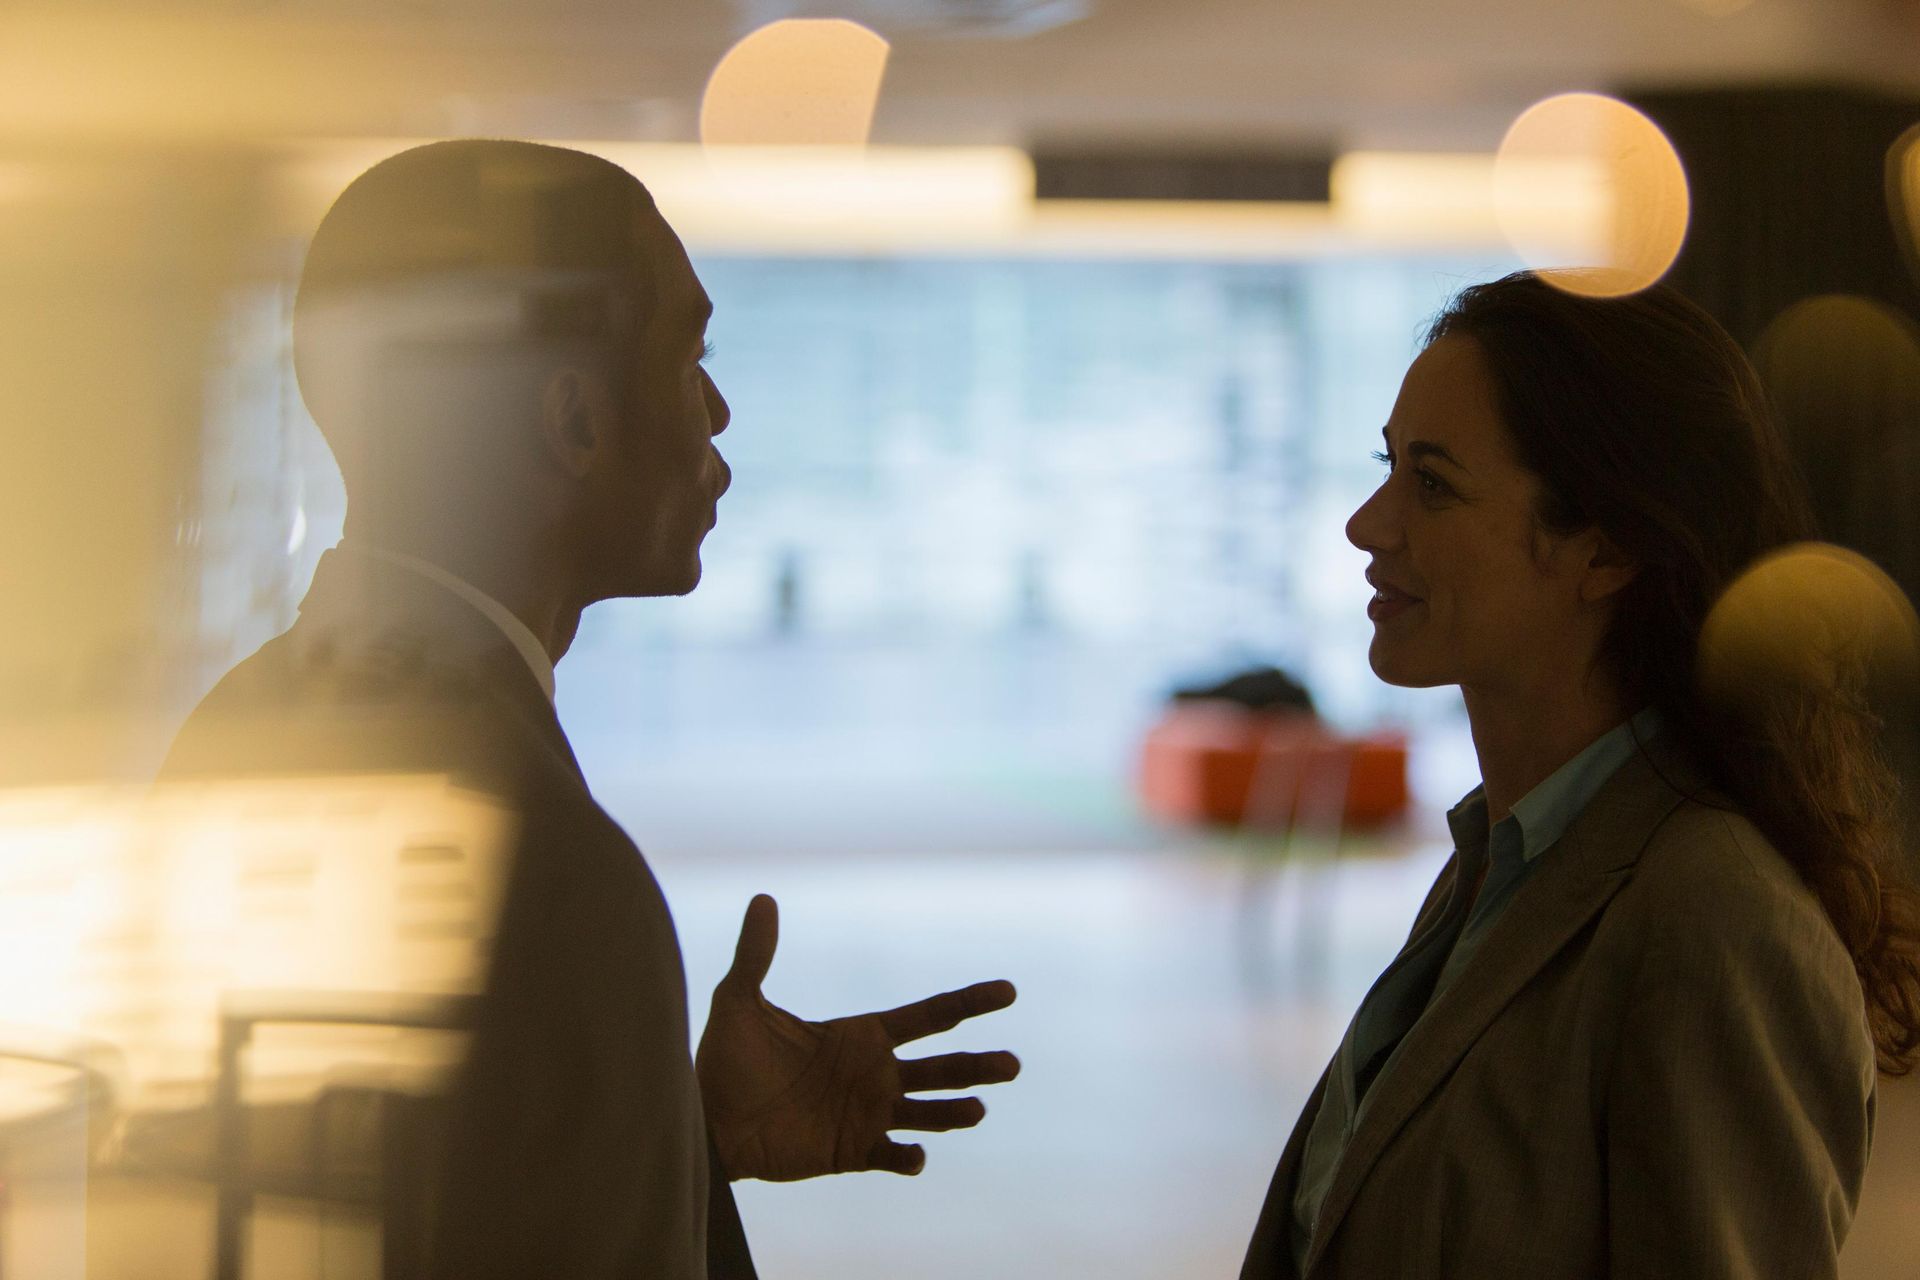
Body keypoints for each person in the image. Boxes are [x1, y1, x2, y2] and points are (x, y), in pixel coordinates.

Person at [162, 139, 1021, 1280]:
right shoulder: (547, 865)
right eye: (689, 355)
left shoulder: (234, 727)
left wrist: (667, 1131)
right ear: (573, 420)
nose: (715, 411)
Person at [1239, 272, 1920, 1278]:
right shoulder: (1495, 864)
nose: (1367, 524)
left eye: (1432, 483)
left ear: (1605, 550)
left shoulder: (1715, 915)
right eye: (1388, 466)